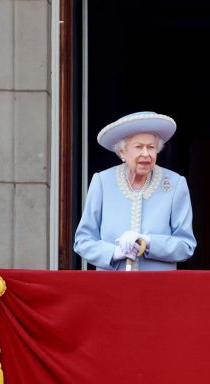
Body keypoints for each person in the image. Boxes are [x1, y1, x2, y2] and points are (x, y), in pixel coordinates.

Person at [74, 111, 196, 270]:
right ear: (122, 152)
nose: (146, 154)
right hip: (111, 287)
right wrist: (113, 253)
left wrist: (147, 241)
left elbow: (186, 246)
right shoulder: (102, 182)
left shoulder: (175, 184)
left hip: (158, 287)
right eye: (138, 147)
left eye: (151, 147)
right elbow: (83, 241)